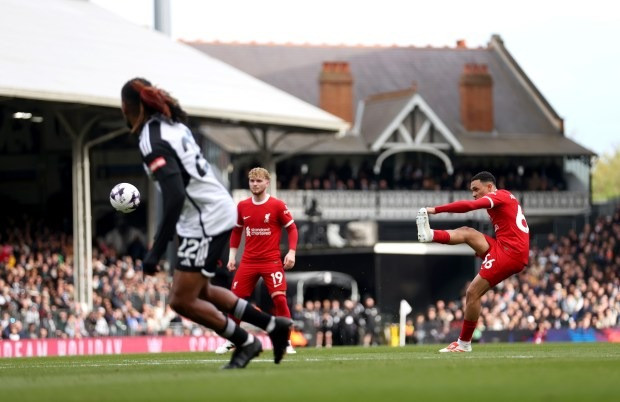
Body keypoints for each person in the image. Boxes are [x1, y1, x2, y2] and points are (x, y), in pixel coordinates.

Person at [120, 78, 291, 369]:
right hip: (205, 214)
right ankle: (273, 325)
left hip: (205, 218)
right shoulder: (175, 127)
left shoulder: (151, 138)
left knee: (181, 300)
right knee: (202, 291)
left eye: (122, 107)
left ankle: (246, 342)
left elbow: (174, 195)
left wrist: (156, 250)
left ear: (132, 107)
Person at [416, 171, 529, 352]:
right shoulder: (505, 196)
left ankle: (464, 344)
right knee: (468, 232)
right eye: (472, 191)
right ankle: (430, 235)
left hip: (510, 253)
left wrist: (435, 210)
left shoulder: (498, 196)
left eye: (476, 189)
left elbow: (469, 206)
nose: (474, 194)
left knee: (472, 293)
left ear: (490, 187)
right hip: (504, 247)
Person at [216, 167, 298, 354]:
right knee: (234, 301)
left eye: (259, 181)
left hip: (271, 261)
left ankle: (285, 341)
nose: (255, 184)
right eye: (252, 181)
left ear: (267, 183)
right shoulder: (242, 206)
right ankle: (232, 340)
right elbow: (237, 231)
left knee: (280, 300)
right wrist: (231, 256)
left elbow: (292, 229)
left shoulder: (277, 205)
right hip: (248, 262)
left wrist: (291, 252)